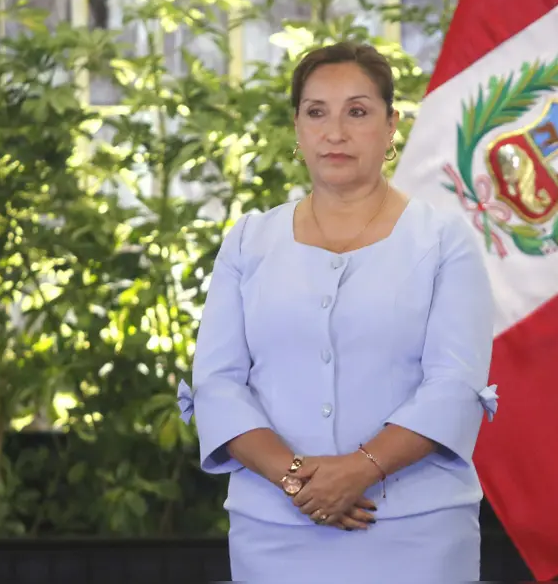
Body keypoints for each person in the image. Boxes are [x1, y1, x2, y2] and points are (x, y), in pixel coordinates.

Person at [176, 40, 499, 583]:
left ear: (391, 124)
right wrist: (299, 480)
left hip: (416, 531)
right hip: (275, 527)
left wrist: (359, 470)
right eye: (316, 112)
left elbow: (453, 385)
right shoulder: (250, 241)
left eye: (358, 111)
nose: (335, 132)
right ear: (297, 128)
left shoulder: (444, 240)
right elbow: (217, 383)